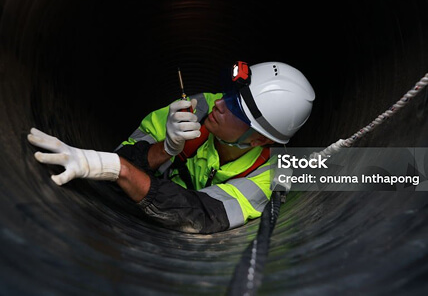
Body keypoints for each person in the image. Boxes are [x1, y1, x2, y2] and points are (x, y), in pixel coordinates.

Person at [28, 61, 315, 234]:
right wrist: (165, 148)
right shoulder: (197, 108)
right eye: (229, 93)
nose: (219, 103)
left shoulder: (269, 176)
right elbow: (125, 153)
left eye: (236, 109)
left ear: (260, 140)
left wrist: (120, 170)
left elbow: (199, 213)